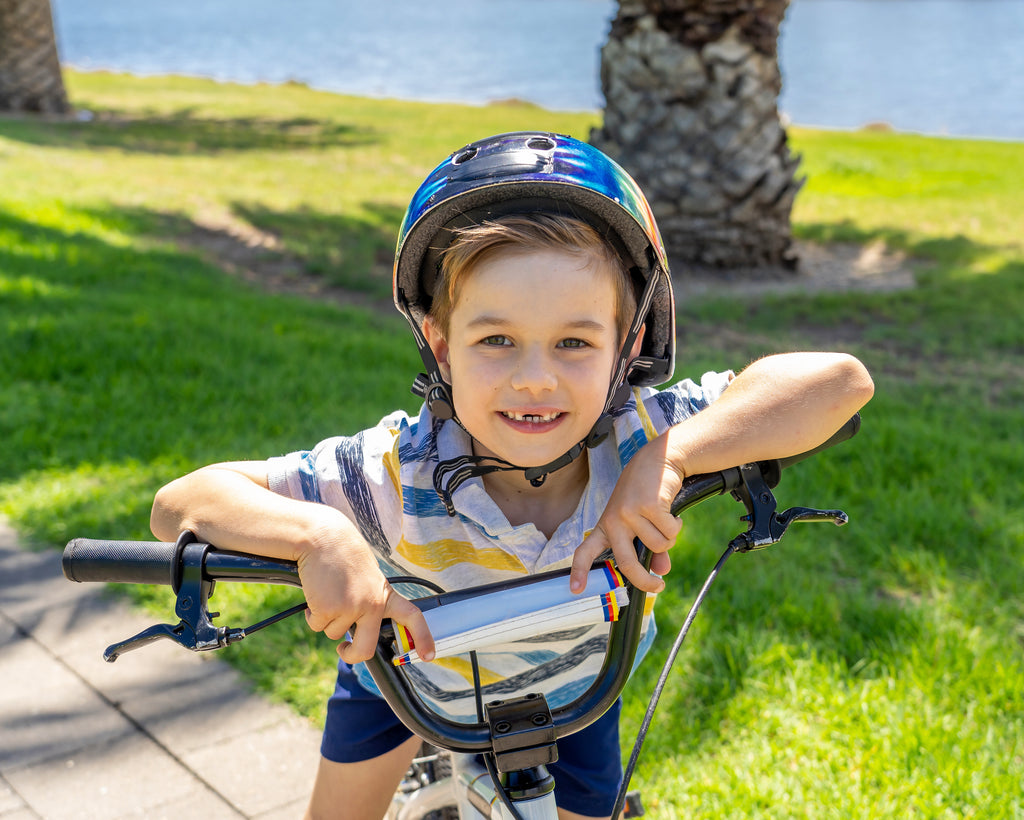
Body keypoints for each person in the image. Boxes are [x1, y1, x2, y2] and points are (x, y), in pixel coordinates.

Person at [150, 131, 874, 820]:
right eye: (496, 340)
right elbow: (180, 503)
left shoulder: (643, 435)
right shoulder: (397, 475)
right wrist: (316, 536)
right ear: (440, 344)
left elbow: (841, 380)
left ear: (630, 345)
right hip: (405, 682)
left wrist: (671, 457)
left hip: (580, 689)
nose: (536, 379)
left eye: (574, 342)